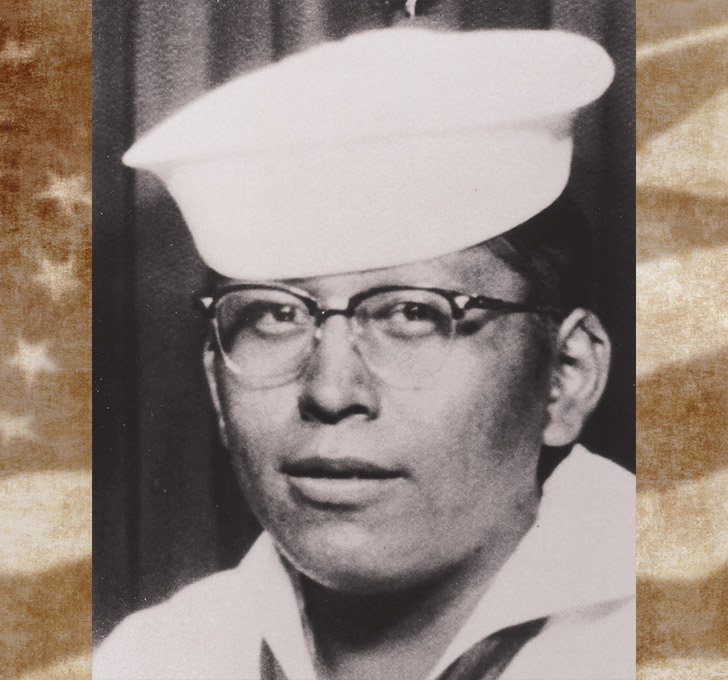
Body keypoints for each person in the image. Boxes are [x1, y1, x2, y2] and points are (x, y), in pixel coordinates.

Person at [93, 27, 635, 680]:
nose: (330, 390)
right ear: (215, 382)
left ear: (566, 377)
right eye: (275, 314)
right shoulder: (154, 660)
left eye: (413, 314)